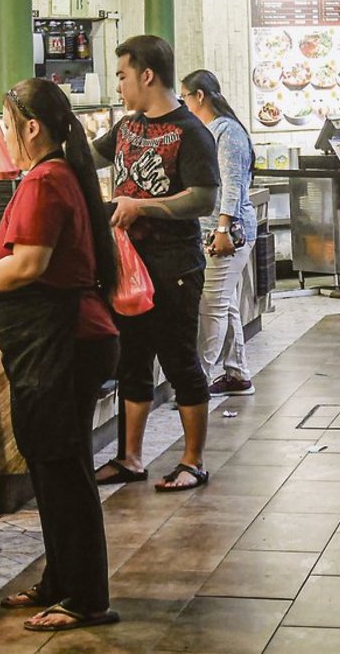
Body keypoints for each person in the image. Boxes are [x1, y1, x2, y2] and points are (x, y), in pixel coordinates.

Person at [0, 79, 120, 633]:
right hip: (57, 341)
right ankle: (60, 579)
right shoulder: (53, 175)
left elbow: (28, 266)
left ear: (32, 127)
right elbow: (22, 258)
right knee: (50, 467)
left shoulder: (46, 180)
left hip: (63, 342)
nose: (4, 135)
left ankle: (86, 598)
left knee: (64, 472)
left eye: (9, 124)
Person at [93, 35, 220, 492]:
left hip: (174, 266)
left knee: (180, 360)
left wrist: (142, 207)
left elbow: (204, 198)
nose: (120, 85)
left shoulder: (191, 131)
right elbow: (86, 157)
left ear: (147, 75)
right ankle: (130, 457)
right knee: (132, 359)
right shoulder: (127, 127)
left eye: (123, 75)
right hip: (128, 267)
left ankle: (193, 460)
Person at [181, 70, 259, 397]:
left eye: (185, 96)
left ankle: (198, 382)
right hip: (215, 231)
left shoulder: (227, 133)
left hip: (229, 233)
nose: (183, 103)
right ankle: (237, 374)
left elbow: (232, 186)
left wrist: (223, 228)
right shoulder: (210, 130)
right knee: (223, 302)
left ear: (200, 96)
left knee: (211, 303)